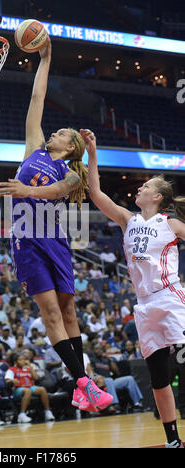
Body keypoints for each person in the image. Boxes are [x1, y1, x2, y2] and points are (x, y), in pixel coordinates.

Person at [0, 38, 112, 413]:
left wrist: (24, 189)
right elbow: (37, 100)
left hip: (56, 241)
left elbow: (59, 190)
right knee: (49, 313)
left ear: (72, 146)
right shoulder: (34, 149)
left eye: (61, 132)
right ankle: (84, 382)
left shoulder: (72, 174)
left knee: (69, 313)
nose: (54, 132)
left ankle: (81, 385)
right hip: (27, 240)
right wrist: (45, 58)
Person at [85, 125, 185, 448]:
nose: (139, 189)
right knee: (158, 377)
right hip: (143, 306)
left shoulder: (168, 223)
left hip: (169, 298)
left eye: (145, 186)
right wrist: (92, 152)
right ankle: (172, 440)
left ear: (157, 197)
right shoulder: (128, 219)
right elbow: (95, 194)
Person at [4, 353, 55, 423]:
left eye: (24, 359)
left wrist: (30, 367)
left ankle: (47, 412)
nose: (23, 361)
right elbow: (7, 380)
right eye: (20, 360)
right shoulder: (12, 369)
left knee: (42, 389)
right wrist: (12, 380)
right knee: (28, 391)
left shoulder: (28, 369)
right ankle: (22, 414)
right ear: (15, 362)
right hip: (18, 389)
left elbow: (36, 378)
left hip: (30, 387)